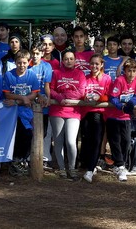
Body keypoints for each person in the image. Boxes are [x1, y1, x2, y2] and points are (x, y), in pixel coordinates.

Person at [2, 50, 40, 176]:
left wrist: (19, 101)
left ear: (28, 62)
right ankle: (14, 161)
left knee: (27, 135)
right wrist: (22, 98)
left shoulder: (32, 75)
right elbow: (7, 94)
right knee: (18, 135)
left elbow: (34, 93)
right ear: (15, 62)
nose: (22, 65)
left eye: (24, 63)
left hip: (25, 111)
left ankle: (19, 159)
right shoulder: (9, 75)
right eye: (19, 63)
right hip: (11, 112)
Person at [49, 51, 86, 179]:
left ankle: (72, 168)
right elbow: (51, 89)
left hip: (73, 112)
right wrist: (59, 97)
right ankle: (61, 168)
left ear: (75, 60)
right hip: (57, 110)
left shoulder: (80, 74)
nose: (69, 61)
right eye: (66, 59)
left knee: (70, 141)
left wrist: (65, 95)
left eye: (71, 58)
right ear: (62, 60)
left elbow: (81, 92)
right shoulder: (56, 73)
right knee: (58, 141)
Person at [107, 58, 136, 181]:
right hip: (114, 115)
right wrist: (121, 106)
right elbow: (113, 97)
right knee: (115, 141)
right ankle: (120, 165)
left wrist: (131, 104)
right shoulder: (119, 80)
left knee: (127, 141)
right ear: (124, 71)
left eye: (134, 71)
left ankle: (121, 164)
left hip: (126, 116)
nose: (131, 74)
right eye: (129, 71)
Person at [81, 54, 112, 183]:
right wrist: (85, 97)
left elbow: (110, 95)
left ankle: (90, 169)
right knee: (86, 140)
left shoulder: (107, 78)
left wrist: (99, 98)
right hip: (85, 113)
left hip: (99, 114)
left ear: (101, 65)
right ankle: (88, 165)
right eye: (92, 63)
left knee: (97, 141)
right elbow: (81, 92)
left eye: (97, 64)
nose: (94, 66)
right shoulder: (85, 77)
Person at [29, 42, 53, 168]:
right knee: (30, 131)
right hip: (29, 103)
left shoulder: (47, 66)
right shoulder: (27, 66)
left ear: (42, 54)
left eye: (37, 53)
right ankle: (29, 157)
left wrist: (48, 97)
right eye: (33, 53)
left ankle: (42, 157)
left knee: (43, 132)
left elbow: (47, 85)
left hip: (43, 104)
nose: (35, 56)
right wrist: (38, 95)